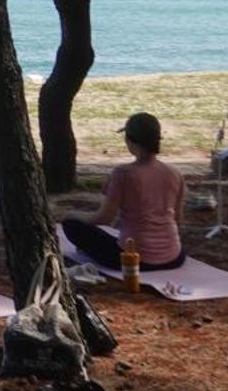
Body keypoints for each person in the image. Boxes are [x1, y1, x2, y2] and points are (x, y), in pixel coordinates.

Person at [62, 111, 188, 271]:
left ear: (130, 140)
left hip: (133, 259)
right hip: (174, 257)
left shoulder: (123, 174)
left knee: (71, 225)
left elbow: (103, 218)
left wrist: (72, 214)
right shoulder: (175, 174)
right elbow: (178, 219)